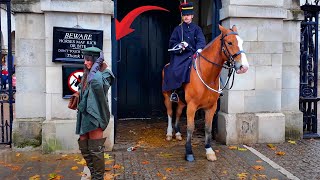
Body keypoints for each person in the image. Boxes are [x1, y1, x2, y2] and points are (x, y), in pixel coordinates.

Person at [75, 47, 114, 180]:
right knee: (84, 145)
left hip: (96, 115)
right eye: (84, 60)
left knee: (95, 149)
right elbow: (84, 90)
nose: (85, 63)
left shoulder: (106, 74)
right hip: (84, 114)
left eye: (88, 60)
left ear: (97, 60)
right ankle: (93, 172)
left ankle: (98, 177)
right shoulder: (87, 74)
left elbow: (97, 85)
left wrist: (96, 67)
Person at [162, 1, 206, 102]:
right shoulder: (178, 29)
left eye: (188, 15)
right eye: (184, 15)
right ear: (182, 17)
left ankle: (217, 89)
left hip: (195, 54)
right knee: (174, 69)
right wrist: (180, 45)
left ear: (192, 16)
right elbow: (172, 43)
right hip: (181, 55)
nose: (186, 17)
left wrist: (199, 50)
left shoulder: (197, 29)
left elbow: (201, 41)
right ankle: (175, 91)